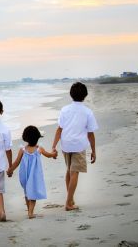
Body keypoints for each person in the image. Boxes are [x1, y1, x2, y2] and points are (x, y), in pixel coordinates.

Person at [51, 82, 98, 211]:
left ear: (71, 94)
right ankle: (68, 203)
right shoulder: (87, 112)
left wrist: (54, 146)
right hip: (78, 145)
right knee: (74, 172)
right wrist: (94, 151)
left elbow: (59, 129)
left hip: (66, 144)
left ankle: (70, 199)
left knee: (69, 171)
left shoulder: (65, 110)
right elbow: (90, 133)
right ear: (85, 96)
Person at [7, 125, 57, 219]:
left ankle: (29, 211)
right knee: (32, 193)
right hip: (34, 176)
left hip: (24, 175)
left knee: (27, 192)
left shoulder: (22, 150)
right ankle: (30, 212)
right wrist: (54, 154)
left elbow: (16, 162)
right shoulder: (39, 149)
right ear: (38, 138)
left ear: (25, 138)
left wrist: (10, 170)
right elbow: (49, 155)